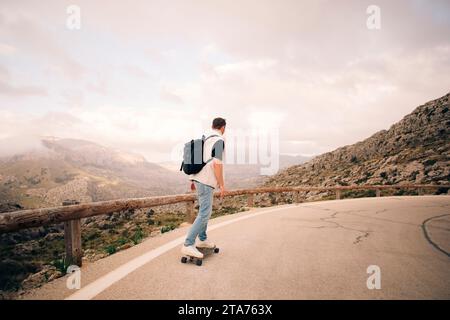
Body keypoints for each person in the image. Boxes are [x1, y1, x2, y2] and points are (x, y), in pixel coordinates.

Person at [181, 117, 227, 259]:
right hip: (206, 181)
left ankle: (202, 238)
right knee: (205, 213)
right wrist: (222, 185)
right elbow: (217, 164)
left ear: (212, 126)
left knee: (204, 211)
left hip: (198, 178)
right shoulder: (219, 140)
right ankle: (188, 244)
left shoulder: (205, 138)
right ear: (223, 127)